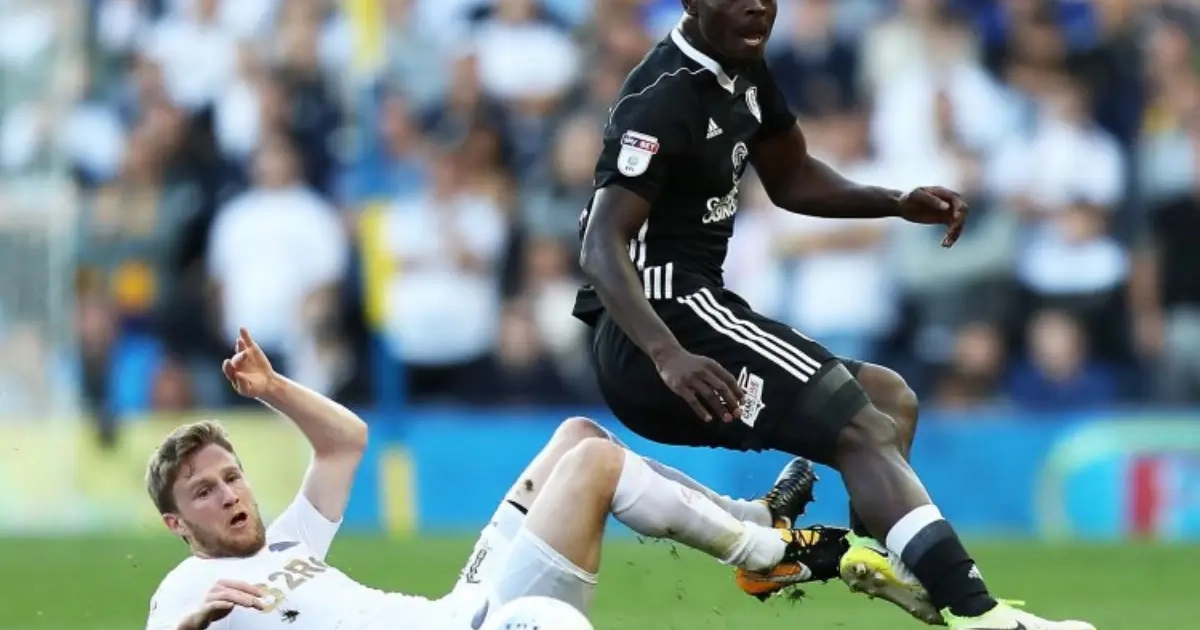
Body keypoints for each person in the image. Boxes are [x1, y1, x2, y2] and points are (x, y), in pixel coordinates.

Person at [573, 2, 1095, 630]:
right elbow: (599, 245)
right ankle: (976, 612)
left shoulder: (742, 69)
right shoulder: (662, 96)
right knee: (859, 426)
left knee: (888, 401)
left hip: (691, 319)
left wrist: (894, 201)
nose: (757, 5)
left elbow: (792, 177)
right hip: (661, 325)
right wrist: (666, 354)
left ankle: (860, 559)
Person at [143, 328, 849, 630]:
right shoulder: (188, 587)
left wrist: (273, 389)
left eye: (230, 477)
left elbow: (345, 443)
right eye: (204, 492)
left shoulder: (288, 540)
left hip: (464, 606)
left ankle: (753, 521)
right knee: (596, 470)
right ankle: (764, 555)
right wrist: (189, 624)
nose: (228, 495)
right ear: (177, 525)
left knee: (579, 437)